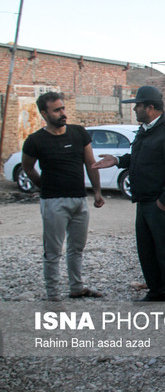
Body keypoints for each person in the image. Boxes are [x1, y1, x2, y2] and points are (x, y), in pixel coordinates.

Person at [93, 86, 165, 301]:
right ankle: (157, 291)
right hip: (144, 201)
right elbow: (141, 158)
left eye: (138, 105)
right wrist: (117, 160)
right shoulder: (146, 130)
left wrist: (164, 201)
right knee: (147, 250)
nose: (135, 109)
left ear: (151, 107)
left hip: (159, 202)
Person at [22, 92, 105, 301]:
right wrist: (45, 186)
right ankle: (53, 295)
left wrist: (97, 192)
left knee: (77, 247)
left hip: (79, 199)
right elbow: (28, 168)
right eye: (57, 110)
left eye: (63, 108)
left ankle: (77, 287)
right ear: (44, 113)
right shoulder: (35, 140)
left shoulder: (78, 133)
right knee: (53, 251)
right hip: (53, 202)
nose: (62, 113)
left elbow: (90, 163)